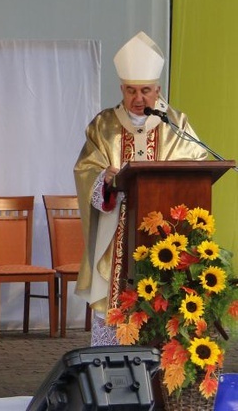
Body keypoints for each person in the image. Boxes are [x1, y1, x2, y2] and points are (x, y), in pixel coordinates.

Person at [73, 31, 207, 346]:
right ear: (122, 88)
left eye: (145, 90)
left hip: (166, 233)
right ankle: (111, 373)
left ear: (158, 89)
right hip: (118, 232)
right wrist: (103, 177)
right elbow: (85, 169)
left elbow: (198, 163)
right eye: (131, 90)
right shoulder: (103, 125)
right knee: (116, 300)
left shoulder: (176, 123)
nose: (138, 98)